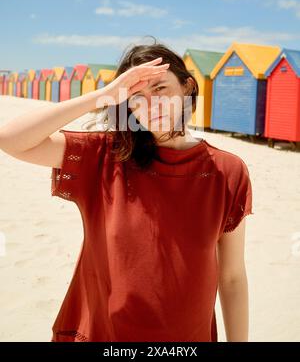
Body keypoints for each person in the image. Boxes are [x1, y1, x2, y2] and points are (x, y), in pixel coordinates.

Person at [0, 38, 254, 342]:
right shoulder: (104, 157)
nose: (151, 104)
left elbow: (232, 276)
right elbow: (11, 139)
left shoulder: (226, 171)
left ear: (187, 88)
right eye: (136, 97)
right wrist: (103, 95)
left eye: (160, 89)